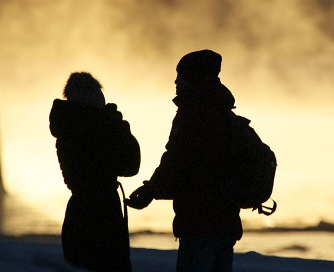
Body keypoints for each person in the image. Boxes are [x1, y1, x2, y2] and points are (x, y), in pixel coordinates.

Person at [126, 50, 241, 272]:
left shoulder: (194, 113)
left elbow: (176, 160)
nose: (176, 81)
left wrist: (150, 191)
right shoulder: (222, 111)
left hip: (199, 221)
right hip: (225, 221)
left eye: (181, 76)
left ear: (194, 79)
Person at [49, 72, 140, 272]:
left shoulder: (68, 126)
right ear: (92, 98)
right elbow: (131, 164)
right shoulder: (98, 128)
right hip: (103, 215)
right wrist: (119, 126)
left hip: (79, 213)